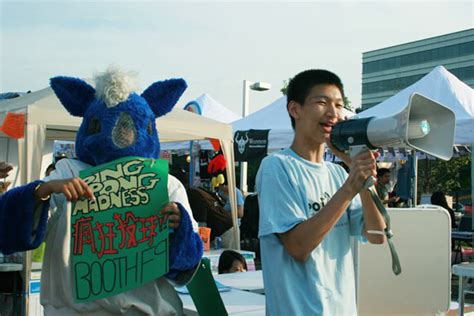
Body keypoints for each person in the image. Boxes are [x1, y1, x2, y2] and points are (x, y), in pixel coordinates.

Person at [256, 69, 386, 315]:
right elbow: (298, 246)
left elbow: (377, 234)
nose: (333, 113)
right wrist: (350, 187)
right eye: (322, 102)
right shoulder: (277, 166)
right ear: (295, 110)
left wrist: (362, 176)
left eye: (338, 105)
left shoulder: (338, 173)